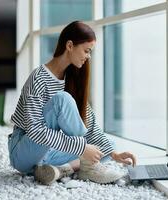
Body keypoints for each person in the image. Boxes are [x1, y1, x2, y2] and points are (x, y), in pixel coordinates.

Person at [8, 21, 136, 185]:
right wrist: (81, 148)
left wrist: (114, 154)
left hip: (49, 151)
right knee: (63, 99)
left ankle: (61, 170)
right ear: (69, 45)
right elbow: (35, 131)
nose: (88, 56)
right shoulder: (38, 78)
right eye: (86, 51)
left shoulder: (72, 78)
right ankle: (86, 167)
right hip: (23, 150)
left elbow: (88, 122)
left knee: (108, 144)